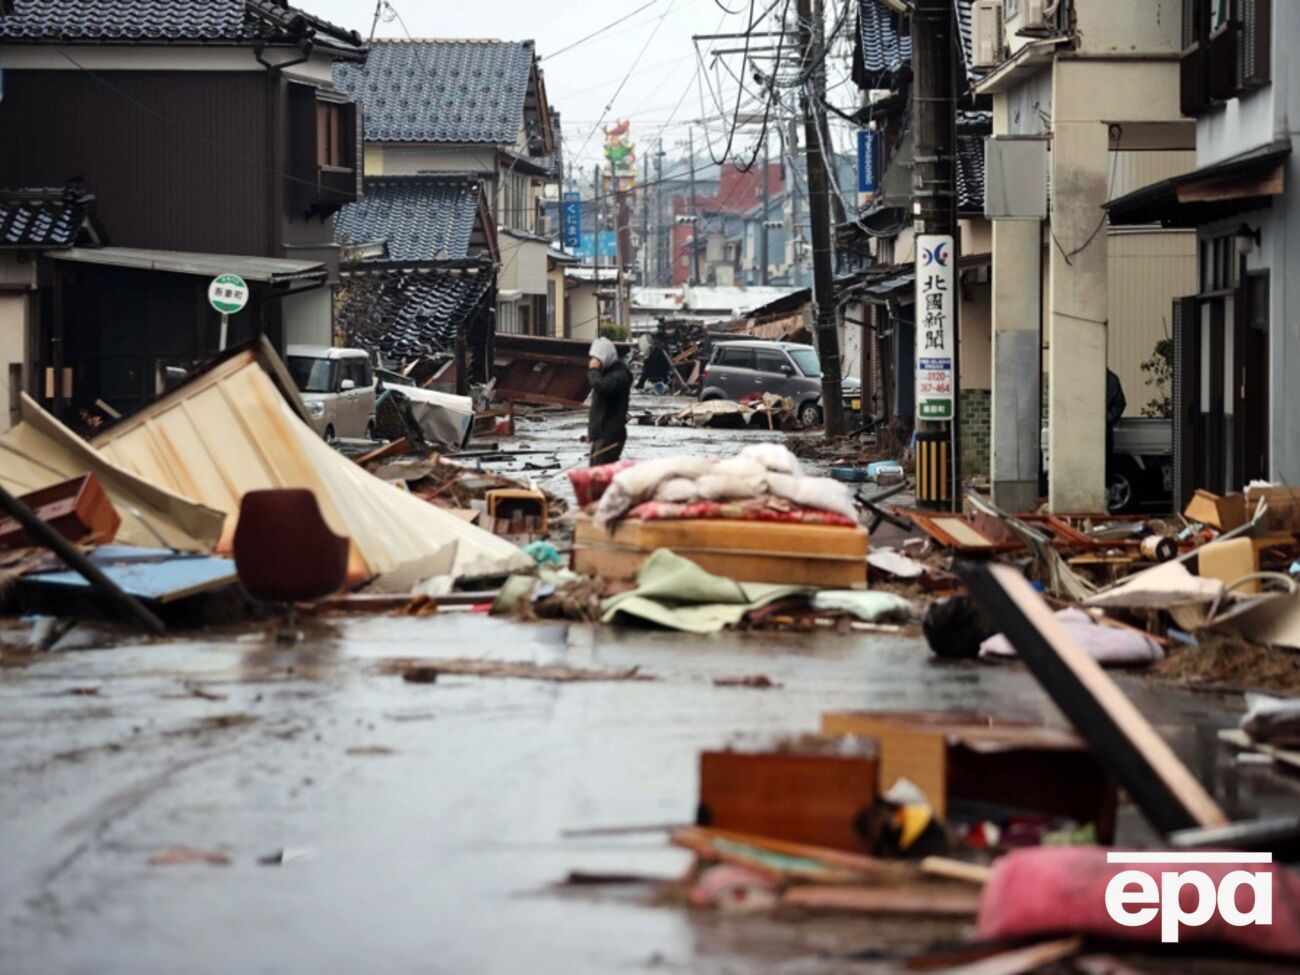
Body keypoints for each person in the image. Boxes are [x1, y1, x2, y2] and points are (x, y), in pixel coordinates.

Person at [587, 336, 632, 466]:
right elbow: (598, 407)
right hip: (601, 434)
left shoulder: (619, 375)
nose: (593, 362)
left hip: (610, 434)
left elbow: (601, 386)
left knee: (600, 475)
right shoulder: (607, 374)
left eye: (596, 358)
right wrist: (592, 433)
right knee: (595, 472)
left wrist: (593, 371)